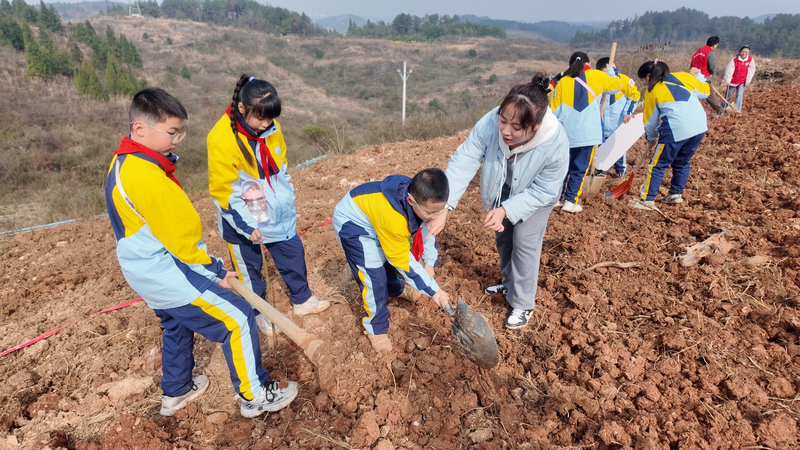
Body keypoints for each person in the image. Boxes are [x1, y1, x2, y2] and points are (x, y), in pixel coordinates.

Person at [105, 88, 297, 418]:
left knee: (176, 324)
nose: (177, 139)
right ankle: (255, 395)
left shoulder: (123, 161)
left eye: (180, 132)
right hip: (166, 270)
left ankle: (177, 391)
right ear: (140, 128)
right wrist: (217, 271)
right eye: (171, 132)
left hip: (141, 269)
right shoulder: (149, 178)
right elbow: (183, 242)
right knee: (237, 319)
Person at [426, 74, 569, 330]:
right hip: (504, 182)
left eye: (516, 128)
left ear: (535, 127)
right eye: (503, 121)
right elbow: (467, 156)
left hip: (536, 194)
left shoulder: (555, 144)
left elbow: (546, 190)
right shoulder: (493, 121)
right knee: (503, 237)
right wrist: (445, 205)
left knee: (524, 243)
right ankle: (509, 282)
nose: (505, 130)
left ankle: (523, 302)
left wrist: (508, 209)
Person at [207, 75, 330, 337]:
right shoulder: (221, 139)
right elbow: (224, 192)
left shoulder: (272, 128)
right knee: (250, 269)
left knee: (292, 251)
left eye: (270, 118)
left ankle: (302, 298)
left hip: (276, 210)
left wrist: (286, 197)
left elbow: (281, 166)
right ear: (242, 109)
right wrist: (246, 225)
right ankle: (259, 311)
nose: (266, 124)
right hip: (243, 218)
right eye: (260, 118)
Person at [333, 169, 451, 352]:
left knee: (387, 259)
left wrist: (430, 262)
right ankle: (375, 327)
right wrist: (434, 291)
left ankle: (397, 290)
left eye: (440, 211)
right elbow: (403, 261)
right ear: (411, 201)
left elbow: (427, 232)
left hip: (377, 220)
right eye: (431, 213)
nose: (435, 217)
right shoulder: (395, 219)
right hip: (354, 225)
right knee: (374, 277)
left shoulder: (421, 199)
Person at [629, 60, 710, 209]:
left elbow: (650, 121)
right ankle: (675, 195)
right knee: (682, 161)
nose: (643, 83)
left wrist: (651, 138)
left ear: (648, 76)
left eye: (642, 80)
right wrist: (700, 78)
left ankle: (647, 200)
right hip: (699, 126)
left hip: (676, 128)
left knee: (657, 165)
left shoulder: (652, 91)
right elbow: (705, 92)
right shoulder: (683, 77)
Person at [551, 51, 622, 213]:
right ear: (588, 64)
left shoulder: (562, 82)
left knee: (562, 167)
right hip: (588, 134)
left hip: (565, 133)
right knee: (579, 169)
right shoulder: (597, 76)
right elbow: (617, 86)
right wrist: (612, 71)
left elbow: (554, 110)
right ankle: (570, 201)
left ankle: (555, 199)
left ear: (569, 65)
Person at [595, 56, 641, 178]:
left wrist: (627, 112)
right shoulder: (597, 81)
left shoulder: (624, 80)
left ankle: (620, 171)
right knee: (599, 148)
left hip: (617, 123)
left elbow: (635, 96)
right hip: (600, 123)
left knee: (618, 148)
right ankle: (600, 170)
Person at [691, 36, 726, 116]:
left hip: (693, 76)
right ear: (714, 45)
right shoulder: (710, 52)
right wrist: (711, 72)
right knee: (710, 94)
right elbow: (712, 66)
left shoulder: (698, 51)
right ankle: (720, 111)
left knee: (695, 94)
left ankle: (693, 111)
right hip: (704, 77)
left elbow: (692, 64)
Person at [723, 45, 756, 112]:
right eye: (743, 52)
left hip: (742, 81)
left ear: (748, 52)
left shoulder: (750, 59)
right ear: (740, 52)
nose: (744, 54)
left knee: (739, 96)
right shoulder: (734, 60)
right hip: (733, 81)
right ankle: (722, 109)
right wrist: (728, 80)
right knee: (728, 95)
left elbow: (751, 70)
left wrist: (748, 81)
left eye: (746, 52)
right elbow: (729, 70)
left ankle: (737, 110)